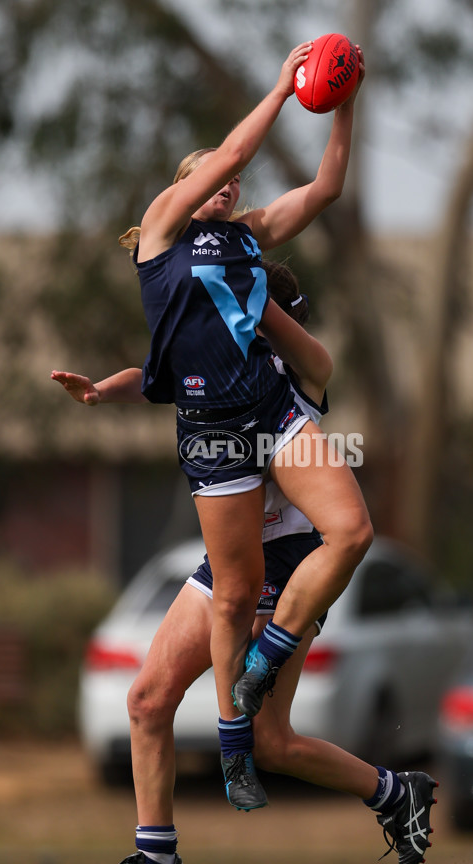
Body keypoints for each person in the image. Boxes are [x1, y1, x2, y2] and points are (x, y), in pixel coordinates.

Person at [67, 38, 375, 817]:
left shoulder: (250, 238)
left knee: (352, 531)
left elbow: (330, 187)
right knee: (232, 596)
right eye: (214, 172)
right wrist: (279, 90)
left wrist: (343, 106)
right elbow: (164, 367)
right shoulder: (163, 232)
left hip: (271, 413)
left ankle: (269, 661)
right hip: (213, 435)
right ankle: (235, 749)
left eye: (235, 177)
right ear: (183, 188)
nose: (231, 178)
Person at [52, 262, 437, 864]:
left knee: (270, 742)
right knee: (148, 700)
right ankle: (156, 860)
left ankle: (395, 792)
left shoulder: (293, 378)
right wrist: (101, 391)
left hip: (287, 565)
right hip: (227, 567)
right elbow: (153, 380)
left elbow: (306, 354)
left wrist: (237, 286)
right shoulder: (211, 371)